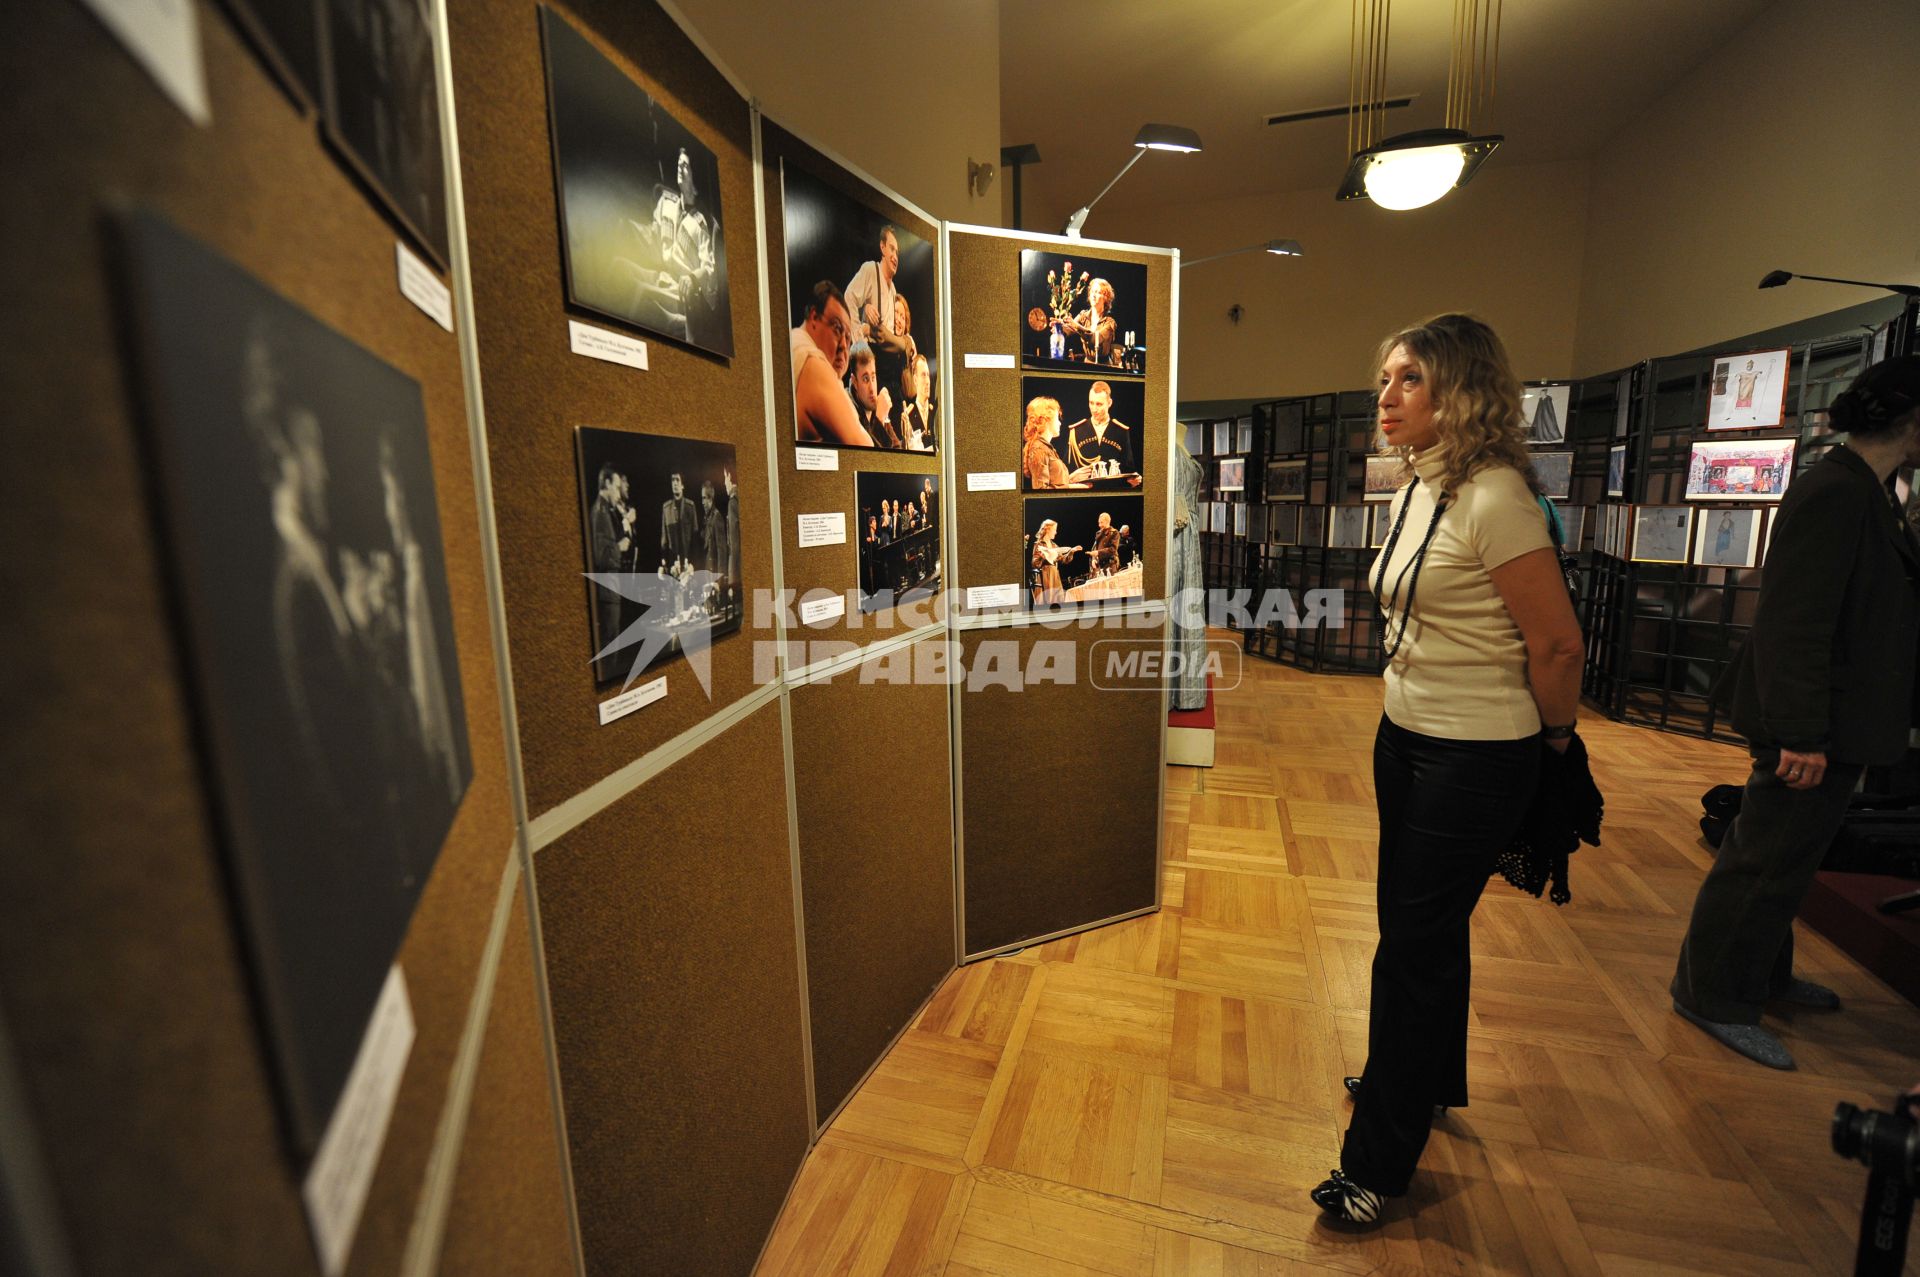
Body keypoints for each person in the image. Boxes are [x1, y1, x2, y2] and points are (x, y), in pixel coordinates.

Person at [1311, 313, 1585, 1228]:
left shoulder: (1496, 496)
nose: (1385, 397)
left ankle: (1377, 1165)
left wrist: (1553, 749)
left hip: (1477, 752)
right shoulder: (1421, 485)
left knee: (1415, 944)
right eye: (1384, 378)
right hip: (1408, 736)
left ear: (1459, 392)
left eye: (1409, 381)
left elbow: (1557, 644)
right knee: (1421, 929)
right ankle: (1420, 1078)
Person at [1671, 357, 1920, 1070]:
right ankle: (1711, 993)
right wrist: (1802, 733)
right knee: (1762, 860)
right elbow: (1794, 624)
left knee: (1787, 858)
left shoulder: (1870, 490)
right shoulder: (1837, 491)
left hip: (1833, 718)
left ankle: (1763, 976)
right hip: (1814, 723)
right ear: (1910, 418)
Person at [791, 281, 873, 447]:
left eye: (848, 338)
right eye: (837, 329)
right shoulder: (811, 359)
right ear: (814, 317)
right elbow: (865, 449)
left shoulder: (795, 346)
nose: (844, 345)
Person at [1067, 381, 1139, 481]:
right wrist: (1071, 478)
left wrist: (1134, 480)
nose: (1094, 409)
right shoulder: (1076, 431)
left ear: (1109, 403)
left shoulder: (1121, 431)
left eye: (1099, 404)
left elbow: (1129, 469)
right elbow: (1067, 469)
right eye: (1091, 403)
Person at [1021, 396, 1085, 490]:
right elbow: (1041, 490)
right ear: (1045, 420)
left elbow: (1055, 481)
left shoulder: (1045, 447)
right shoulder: (1039, 448)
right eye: (1057, 418)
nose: (1060, 423)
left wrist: (1072, 478)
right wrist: (1073, 487)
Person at [848, 344, 901, 449]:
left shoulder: (872, 401)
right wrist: (879, 419)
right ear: (854, 382)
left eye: (873, 377)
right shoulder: (848, 411)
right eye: (865, 379)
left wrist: (883, 418)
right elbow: (866, 458)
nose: (872, 389)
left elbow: (897, 448)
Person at [1028, 519, 1081, 605]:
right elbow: (1034, 564)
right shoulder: (1039, 544)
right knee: (1046, 603)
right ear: (1048, 529)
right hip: (1044, 576)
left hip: (1054, 575)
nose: (1056, 532)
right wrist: (1043, 558)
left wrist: (1071, 551)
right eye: (1054, 529)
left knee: (1057, 603)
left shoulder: (1054, 545)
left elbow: (1063, 559)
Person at [1069, 276, 1118, 366]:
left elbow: (1095, 339)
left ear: (1106, 297)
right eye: (1092, 292)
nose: (1093, 295)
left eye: (1098, 292)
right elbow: (1069, 329)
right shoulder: (1083, 315)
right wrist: (1059, 326)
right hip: (1087, 364)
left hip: (1104, 367)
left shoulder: (1110, 323)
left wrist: (1076, 325)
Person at [660, 471, 699, 568]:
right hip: (672, 562)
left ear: (683, 485)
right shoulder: (666, 508)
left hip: (688, 561)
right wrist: (664, 560)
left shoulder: (690, 506)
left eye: (677, 480)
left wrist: (693, 562)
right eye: (672, 480)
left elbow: (695, 536)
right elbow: (664, 539)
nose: (675, 483)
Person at [899, 353, 936, 452]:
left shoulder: (935, 412)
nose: (928, 381)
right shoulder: (908, 416)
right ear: (915, 380)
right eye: (923, 375)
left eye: (928, 375)